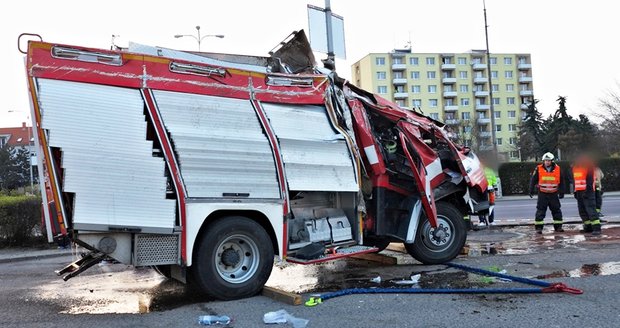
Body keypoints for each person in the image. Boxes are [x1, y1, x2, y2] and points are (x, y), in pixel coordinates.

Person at [529, 152, 564, 234]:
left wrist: (562, 192)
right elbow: (533, 180)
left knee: (556, 211)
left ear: (552, 161)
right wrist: (531, 190)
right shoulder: (538, 168)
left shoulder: (558, 169)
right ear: (543, 161)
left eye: (548, 161)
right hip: (542, 193)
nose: (547, 162)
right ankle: (539, 228)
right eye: (545, 160)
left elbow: (562, 181)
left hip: (553, 193)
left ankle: (558, 227)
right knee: (540, 211)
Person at [572, 154, 601, 235]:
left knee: (591, 210)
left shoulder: (589, 167)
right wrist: (575, 191)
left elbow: (590, 181)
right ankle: (588, 227)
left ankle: (596, 228)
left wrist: (587, 191)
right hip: (579, 191)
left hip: (588, 191)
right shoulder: (575, 168)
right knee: (582, 210)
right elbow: (575, 180)